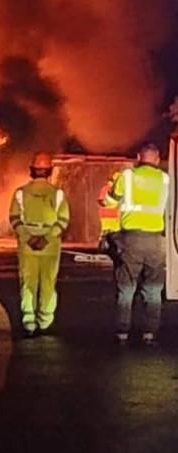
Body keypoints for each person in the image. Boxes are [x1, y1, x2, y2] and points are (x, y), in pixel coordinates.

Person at [102, 142, 170, 345]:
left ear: (139, 157)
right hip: (156, 240)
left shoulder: (128, 176)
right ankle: (150, 334)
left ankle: (122, 334)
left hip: (131, 239)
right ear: (157, 160)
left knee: (126, 288)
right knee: (154, 289)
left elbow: (110, 201)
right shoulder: (165, 179)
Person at [9, 151, 70, 337]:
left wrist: (28, 238)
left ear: (31, 170)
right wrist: (47, 238)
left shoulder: (20, 193)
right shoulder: (58, 194)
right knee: (48, 282)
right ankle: (45, 320)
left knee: (28, 281)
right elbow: (63, 220)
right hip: (50, 246)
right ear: (50, 170)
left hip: (27, 246)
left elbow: (14, 219)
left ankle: (28, 320)